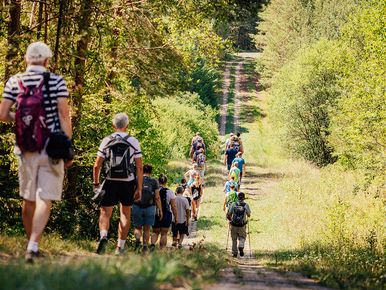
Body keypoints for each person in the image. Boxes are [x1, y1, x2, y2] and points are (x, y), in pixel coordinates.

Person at [0, 42, 72, 263]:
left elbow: (3, 114)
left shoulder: (15, 81)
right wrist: (68, 145)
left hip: (25, 148)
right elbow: (63, 113)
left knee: (28, 198)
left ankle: (30, 244)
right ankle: (33, 245)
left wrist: (21, 120)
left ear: (26, 59)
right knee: (45, 197)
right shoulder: (56, 81)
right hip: (51, 147)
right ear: (47, 61)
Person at [93, 113, 143, 255]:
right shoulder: (133, 141)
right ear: (127, 126)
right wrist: (139, 188)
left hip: (110, 181)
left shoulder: (106, 140)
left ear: (113, 125)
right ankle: (120, 247)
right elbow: (139, 167)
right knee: (125, 213)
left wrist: (96, 184)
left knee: (105, 212)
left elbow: (97, 165)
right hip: (127, 182)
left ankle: (103, 236)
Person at [132, 164, 162, 253]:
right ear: (151, 172)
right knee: (147, 229)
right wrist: (160, 209)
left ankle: (138, 240)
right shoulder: (154, 181)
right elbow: (157, 197)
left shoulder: (137, 179)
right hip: (150, 207)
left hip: (137, 205)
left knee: (137, 227)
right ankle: (145, 246)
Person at [151, 174, 178, 249]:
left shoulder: (154, 191)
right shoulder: (170, 192)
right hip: (166, 214)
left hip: (155, 213)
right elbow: (173, 206)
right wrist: (176, 217)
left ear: (158, 181)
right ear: (166, 182)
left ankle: (152, 245)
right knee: (164, 233)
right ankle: (162, 250)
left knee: (155, 232)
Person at [227, 192, 251, 258]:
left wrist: (229, 220)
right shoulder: (246, 205)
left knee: (234, 239)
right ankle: (241, 246)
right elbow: (249, 214)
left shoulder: (233, 204)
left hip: (234, 224)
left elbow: (229, 214)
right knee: (242, 237)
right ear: (244, 198)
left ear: (237, 197)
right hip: (242, 225)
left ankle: (234, 252)